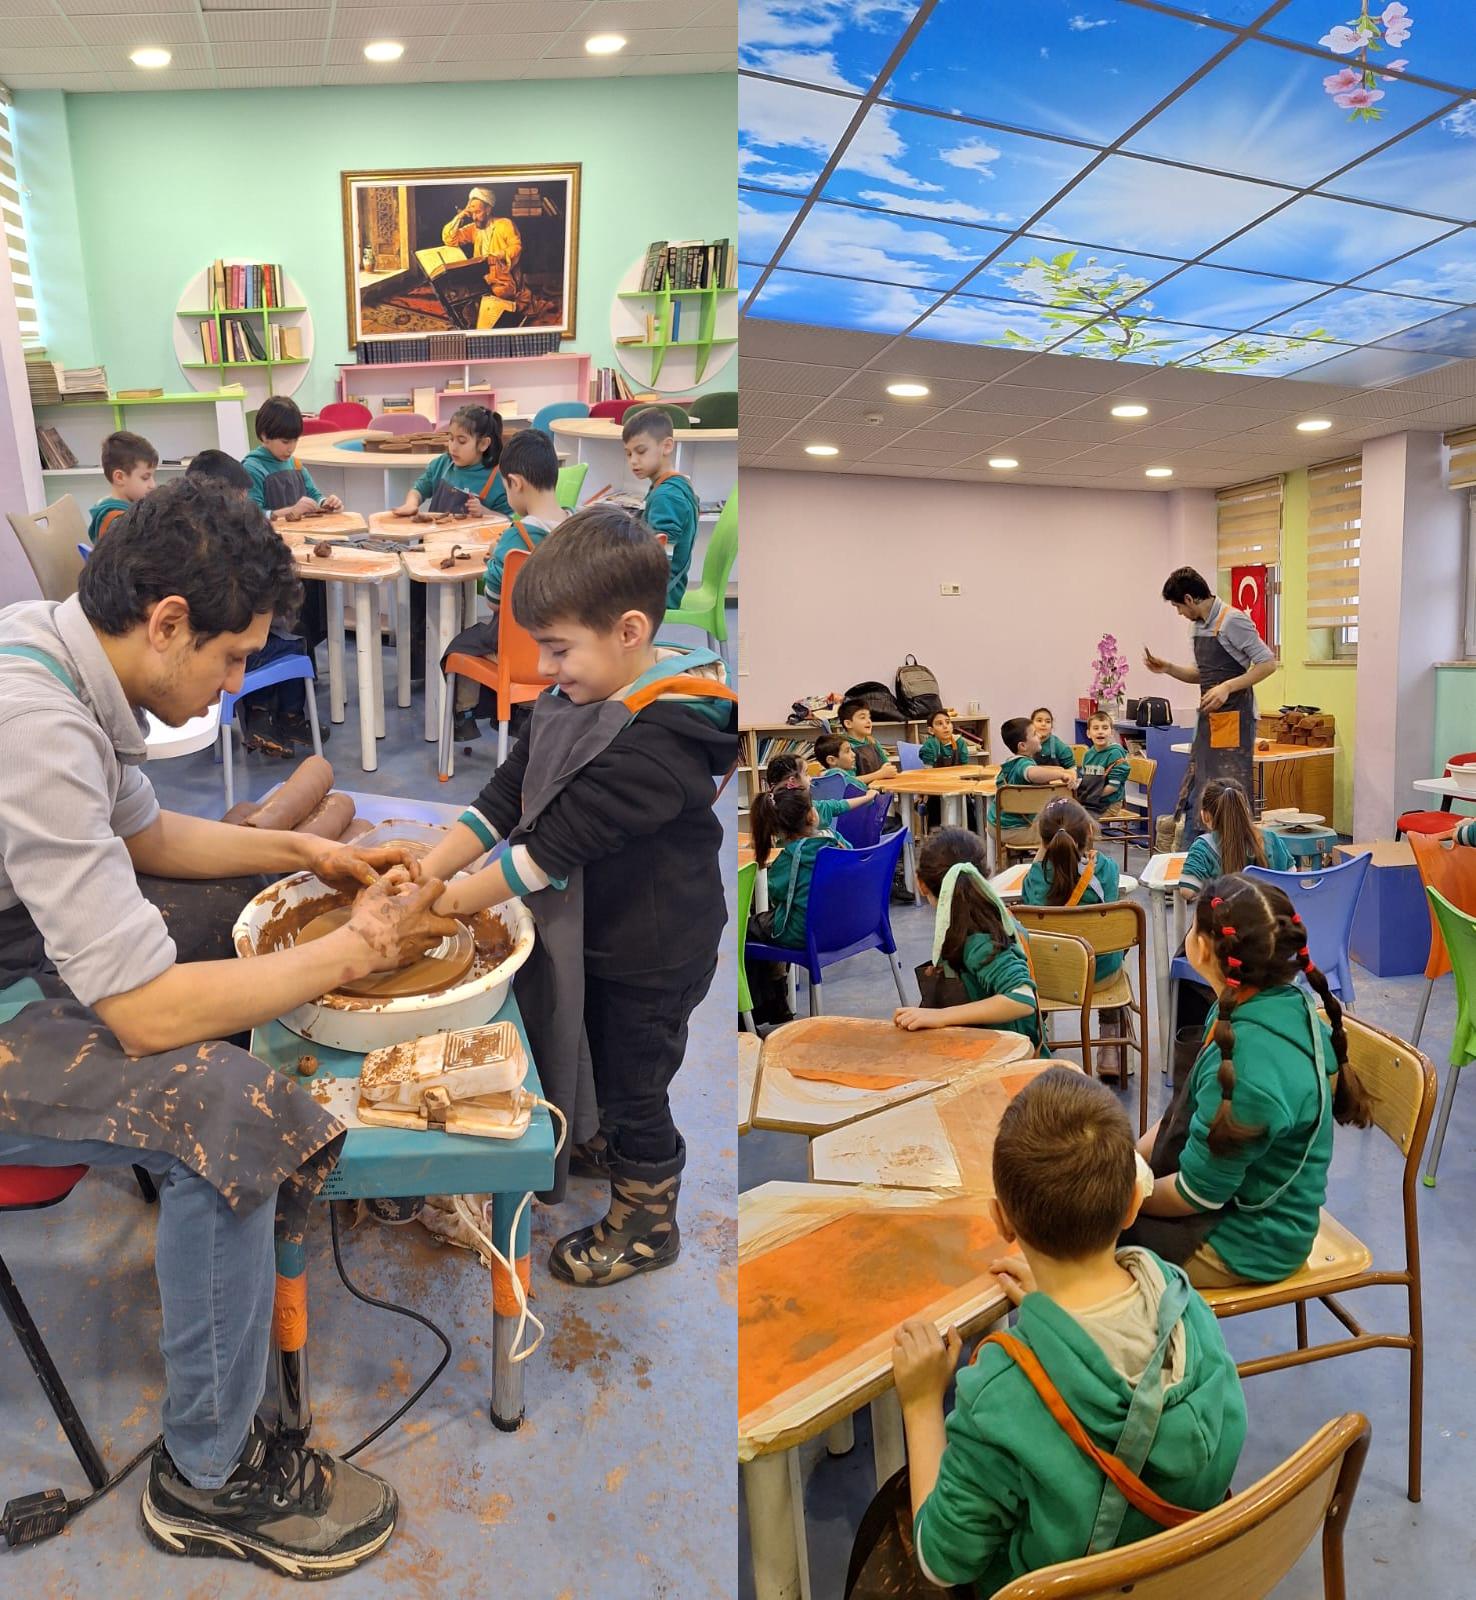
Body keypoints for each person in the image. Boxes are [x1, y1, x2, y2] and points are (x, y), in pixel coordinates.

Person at [0, 476, 451, 1575]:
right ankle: (207, 1478)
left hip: (19, 949)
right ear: (167, 622)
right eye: (234, 656)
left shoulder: (59, 650)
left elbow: (149, 839)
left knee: (235, 922)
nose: (238, 682)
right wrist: (354, 949)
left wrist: (309, 852)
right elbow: (148, 1013)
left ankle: (227, 1259)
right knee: (228, 1111)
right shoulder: (35, 728)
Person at [415, 504, 737, 1285]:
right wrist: (433, 867)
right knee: (591, 1045)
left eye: (559, 650)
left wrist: (439, 908)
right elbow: (509, 792)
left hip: (654, 951)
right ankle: (602, 1141)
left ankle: (648, 1221)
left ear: (630, 631)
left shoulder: (658, 741)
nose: (546, 668)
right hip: (603, 929)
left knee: (635, 1086)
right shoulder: (581, 693)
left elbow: (543, 856)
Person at [887, 1070, 1245, 1597]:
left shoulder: (1000, 1392)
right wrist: (1057, 1305)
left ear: (1002, 1221)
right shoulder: (1186, 1306)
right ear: (1133, 1202)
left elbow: (943, 1562)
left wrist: (920, 1405)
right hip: (1189, 1575)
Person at [1127, 874, 1372, 1286]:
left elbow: (1197, 1194)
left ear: (1202, 948)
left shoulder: (1248, 1067)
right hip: (1235, 1205)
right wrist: (1129, 1162)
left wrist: (1124, 1199)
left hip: (1250, 1243)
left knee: (1082, 1249)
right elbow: (1180, 1117)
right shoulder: (1262, 1005)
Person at [438, 425, 566, 741]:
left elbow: (495, 601)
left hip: (518, 655)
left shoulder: (515, 538)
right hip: (567, 649)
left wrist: (497, 557)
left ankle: (465, 717)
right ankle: (520, 712)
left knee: (460, 645)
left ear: (515, 483)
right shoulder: (577, 528)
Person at [185, 449, 316, 755]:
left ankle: (274, 719)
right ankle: (273, 719)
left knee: (279, 635)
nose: (246, 506)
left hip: (202, 644)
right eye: (242, 499)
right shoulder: (222, 547)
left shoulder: (190, 536)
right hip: (223, 650)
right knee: (292, 640)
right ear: (221, 498)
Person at [1143, 568, 1275, 846]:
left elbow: (1267, 663)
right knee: (1198, 791)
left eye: (1178, 606)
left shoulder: (1233, 621)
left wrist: (1227, 687)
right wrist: (1168, 668)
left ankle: (1231, 854)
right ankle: (1195, 856)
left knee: (1226, 795)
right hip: (1209, 721)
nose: (1180, 613)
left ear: (1189, 599)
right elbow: (1202, 675)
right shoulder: (1198, 626)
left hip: (1235, 723)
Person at [895, 827, 1045, 1051]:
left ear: (920, 883)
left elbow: (1022, 998)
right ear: (985, 874)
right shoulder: (981, 920)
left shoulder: (978, 938)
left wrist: (941, 1016)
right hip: (988, 1048)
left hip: (1009, 1058)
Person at [1022, 796, 1122, 982]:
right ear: (1090, 830)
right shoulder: (1107, 869)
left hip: (1053, 979)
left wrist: (1044, 848)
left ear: (1043, 841)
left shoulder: (1036, 878)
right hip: (1100, 975)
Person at [622, 406, 700, 610]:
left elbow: (659, 562)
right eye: (628, 454)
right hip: (661, 587)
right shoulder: (673, 485)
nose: (633, 461)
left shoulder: (667, 496)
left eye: (641, 451)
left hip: (659, 593)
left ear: (666, 446)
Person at [390, 402, 513, 522]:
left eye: (462, 441)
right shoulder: (443, 464)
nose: (453, 447)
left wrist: (487, 513)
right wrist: (411, 504)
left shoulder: (498, 479)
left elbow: (513, 519)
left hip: (474, 536)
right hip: (436, 535)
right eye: (451, 438)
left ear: (483, 444)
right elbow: (419, 489)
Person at [1179, 778, 1294, 899]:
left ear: (1205, 816)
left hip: (1226, 911)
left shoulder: (1203, 847)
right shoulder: (1272, 839)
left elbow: (1187, 891)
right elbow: (1292, 877)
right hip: (1270, 910)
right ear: (1246, 811)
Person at [242, 396, 344, 521]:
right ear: (264, 436)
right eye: (285, 442)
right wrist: (291, 511)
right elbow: (252, 516)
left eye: (295, 440)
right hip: (270, 533)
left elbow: (314, 495)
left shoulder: (295, 465)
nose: (291, 448)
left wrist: (326, 503)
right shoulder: (252, 469)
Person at [990, 715, 1077, 833]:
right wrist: (1060, 775)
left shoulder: (1012, 762)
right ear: (1023, 746)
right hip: (1015, 828)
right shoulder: (1023, 764)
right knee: (1063, 831)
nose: (1040, 735)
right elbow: (1033, 773)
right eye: (1035, 734)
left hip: (999, 824)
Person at [442, 185, 523, 309]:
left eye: (478, 212)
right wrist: (460, 216)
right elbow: (449, 239)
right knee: (455, 295)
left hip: (501, 279)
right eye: (472, 213)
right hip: (478, 279)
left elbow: (516, 247)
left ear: (488, 209)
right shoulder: (474, 228)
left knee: (492, 297)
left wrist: (499, 255)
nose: (474, 217)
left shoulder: (504, 224)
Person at [764, 752, 877, 831]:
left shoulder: (767, 808)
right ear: (792, 781)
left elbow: (836, 806)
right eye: (806, 773)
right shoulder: (806, 808)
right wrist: (867, 797)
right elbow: (836, 806)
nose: (810, 778)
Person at [88, 430, 157, 542]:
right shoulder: (119, 522)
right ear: (119, 477)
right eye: (145, 478)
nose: (153, 485)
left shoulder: (110, 504)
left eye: (153, 476)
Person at [1079, 711, 1132, 814]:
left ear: (1111, 732)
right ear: (1088, 734)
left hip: (1110, 804)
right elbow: (1084, 780)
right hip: (1092, 802)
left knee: (1081, 819)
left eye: (1105, 728)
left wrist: (1090, 797)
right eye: (1096, 728)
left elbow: (1113, 787)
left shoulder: (1115, 753)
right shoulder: (1088, 754)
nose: (1100, 732)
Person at [837, 698, 898, 779]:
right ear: (848, 724)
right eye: (863, 717)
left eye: (869, 717)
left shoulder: (873, 742)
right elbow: (849, 780)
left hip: (879, 785)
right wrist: (879, 774)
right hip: (861, 787)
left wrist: (888, 771)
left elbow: (887, 765)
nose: (869, 721)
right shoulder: (845, 747)